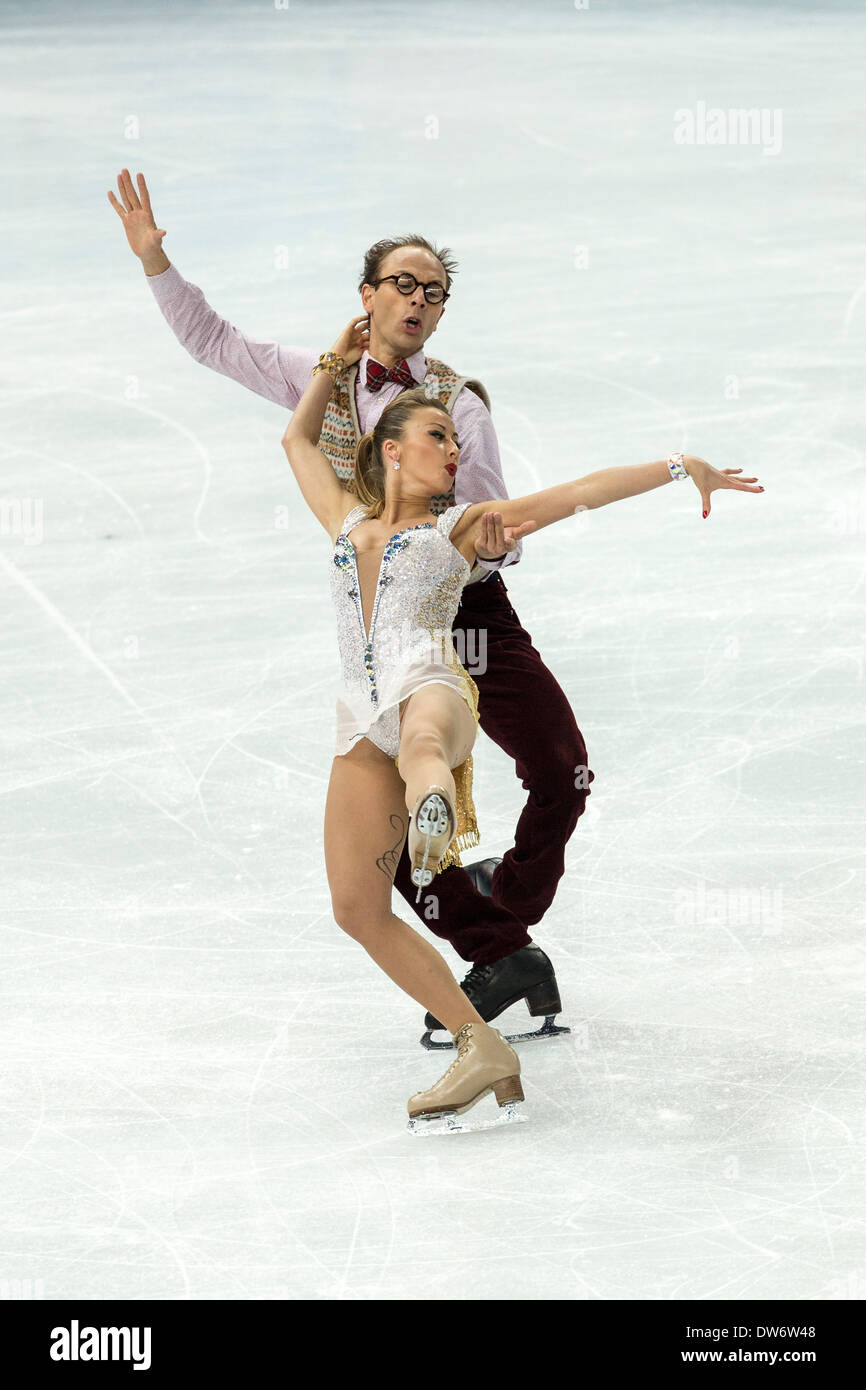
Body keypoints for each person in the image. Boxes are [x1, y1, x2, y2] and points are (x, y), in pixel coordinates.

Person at [106, 168, 589, 1048]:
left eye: (434, 292)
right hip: (385, 625)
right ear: (366, 296)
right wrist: (155, 261)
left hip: (468, 609)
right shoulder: (317, 379)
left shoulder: (458, 402)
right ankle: (498, 953)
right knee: (386, 832)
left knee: (563, 769)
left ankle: (503, 905)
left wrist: (449, 525)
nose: (419, 299)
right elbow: (214, 342)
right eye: (403, 283)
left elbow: (503, 526)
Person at [282, 313, 763, 1124]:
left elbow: (576, 496)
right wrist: (338, 355)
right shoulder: (346, 524)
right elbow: (298, 441)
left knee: (424, 732)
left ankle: (433, 801)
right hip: (360, 716)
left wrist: (683, 466)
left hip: (433, 682)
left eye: (456, 441)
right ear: (390, 448)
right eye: (438, 436)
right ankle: (483, 1048)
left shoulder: (462, 527)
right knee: (357, 910)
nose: (456, 449)